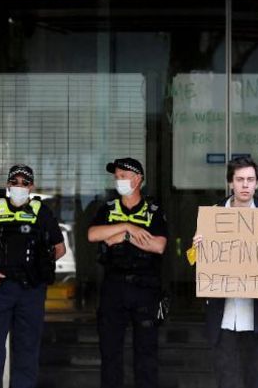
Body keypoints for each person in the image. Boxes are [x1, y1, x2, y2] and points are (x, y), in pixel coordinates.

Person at [190, 157, 258, 388]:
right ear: (230, 183)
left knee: (257, 381)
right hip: (224, 318)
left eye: (250, 179)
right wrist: (198, 250)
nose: (245, 185)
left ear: (257, 183)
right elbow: (198, 265)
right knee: (227, 382)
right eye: (240, 179)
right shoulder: (212, 216)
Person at [0, 164, 66, 388]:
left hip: (31, 289)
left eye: (25, 183)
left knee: (27, 348)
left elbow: (59, 247)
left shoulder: (41, 211)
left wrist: (42, 264)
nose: (19, 186)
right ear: (8, 184)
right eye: (15, 182)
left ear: (31, 186)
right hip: (0, 287)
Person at [86, 157, 169, 388]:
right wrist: (127, 228)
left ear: (138, 179)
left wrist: (118, 238)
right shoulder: (108, 209)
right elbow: (93, 234)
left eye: (123, 176)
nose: (118, 180)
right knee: (110, 353)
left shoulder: (153, 211)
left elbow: (158, 246)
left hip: (145, 288)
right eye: (117, 176)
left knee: (146, 354)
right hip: (114, 286)